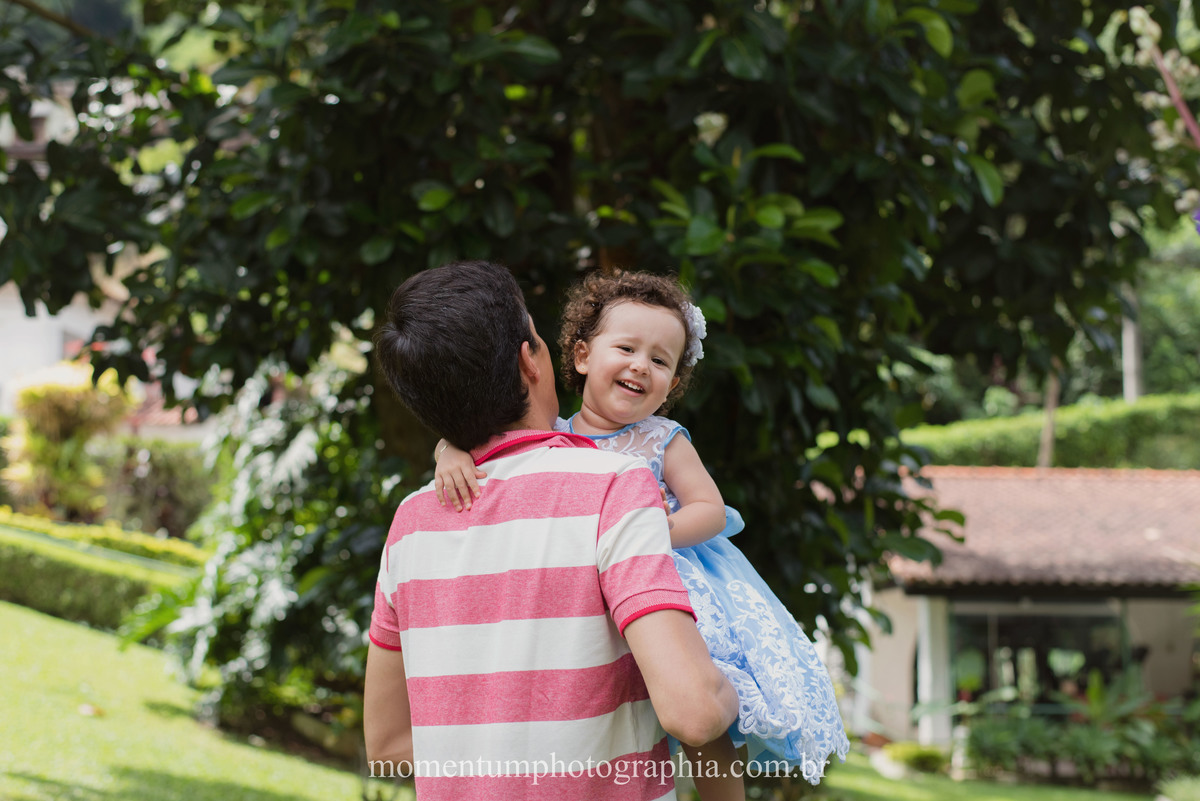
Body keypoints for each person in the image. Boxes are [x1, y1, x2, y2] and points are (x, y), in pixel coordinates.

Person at [436, 270, 851, 793]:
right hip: (593, 591)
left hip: (669, 580)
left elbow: (711, 509)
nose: (640, 365)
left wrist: (657, 526)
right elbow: (487, 447)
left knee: (702, 711)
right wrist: (448, 449)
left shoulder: (661, 439)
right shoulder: (555, 435)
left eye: (660, 360)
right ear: (583, 356)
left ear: (672, 383)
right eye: (627, 348)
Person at [364, 260, 739, 801]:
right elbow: (694, 713)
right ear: (529, 362)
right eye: (539, 339)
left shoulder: (412, 523)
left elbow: (389, 746)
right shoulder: (614, 486)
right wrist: (744, 697)